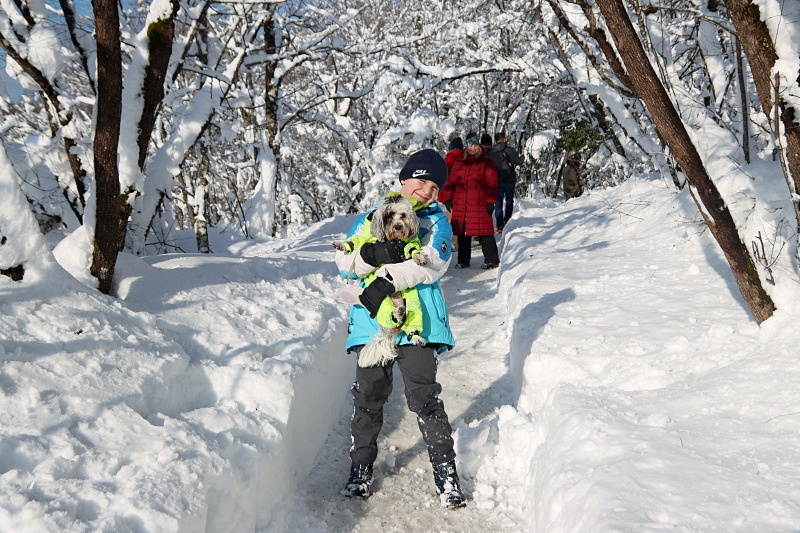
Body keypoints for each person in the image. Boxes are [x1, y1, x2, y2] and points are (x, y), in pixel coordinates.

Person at [334, 149, 467, 509]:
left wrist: (384, 281)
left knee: (425, 398)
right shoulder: (372, 216)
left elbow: (432, 263)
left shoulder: (436, 221)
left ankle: (446, 475)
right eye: (422, 181)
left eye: (435, 187)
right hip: (371, 321)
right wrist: (371, 256)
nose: (427, 191)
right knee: (368, 397)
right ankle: (360, 469)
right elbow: (344, 262)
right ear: (405, 180)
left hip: (419, 324)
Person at [438, 131, 500, 269]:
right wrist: (448, 199)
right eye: (470, 145)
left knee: (485, 233)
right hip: (461, 203)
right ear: (466, 146)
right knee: (463, 233)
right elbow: (451, 182)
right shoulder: (459, 163)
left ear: (479, 146)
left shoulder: (487, 162)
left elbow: (492, 183)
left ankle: (492, 260)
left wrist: (491, 201)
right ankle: (463, 261)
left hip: (480, 203)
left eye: (475, 145)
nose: (473, 148)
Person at [487, 131, 524, 232]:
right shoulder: (510, 150)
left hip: (497, 180)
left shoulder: (492, 152)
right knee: (509, 201)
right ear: (504, 140)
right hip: (509, 179)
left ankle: (499, 225)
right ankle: (507, 222)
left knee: (498, 202)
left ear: (495, 141)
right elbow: (519, 162)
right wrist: (522, 155)